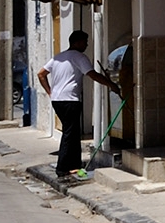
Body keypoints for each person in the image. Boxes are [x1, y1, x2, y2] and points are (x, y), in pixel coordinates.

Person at [38, 31, 118, 182]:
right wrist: (111, 84)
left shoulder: (58, 57)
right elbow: (92, 74)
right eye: (85, 41)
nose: (86, 44)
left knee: (73, 132)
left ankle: (73, 165)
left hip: (58, 100)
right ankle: (62, 168)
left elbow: (41, 74)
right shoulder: (79, 57)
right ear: (77, 42)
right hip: (70, 100)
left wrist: (51, 93)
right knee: (69, 133)